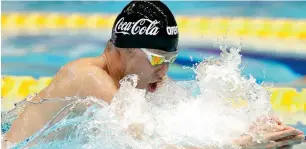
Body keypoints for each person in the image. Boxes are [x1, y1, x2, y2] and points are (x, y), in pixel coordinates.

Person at [2, 1, 304, 149]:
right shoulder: (87, 77)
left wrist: (244, 125)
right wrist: (239, 145)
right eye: (157, 58)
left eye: (170, 60)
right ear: (124, 49)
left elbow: (183, 120)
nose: (164, 69)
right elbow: (145, 144)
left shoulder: (146, 81)